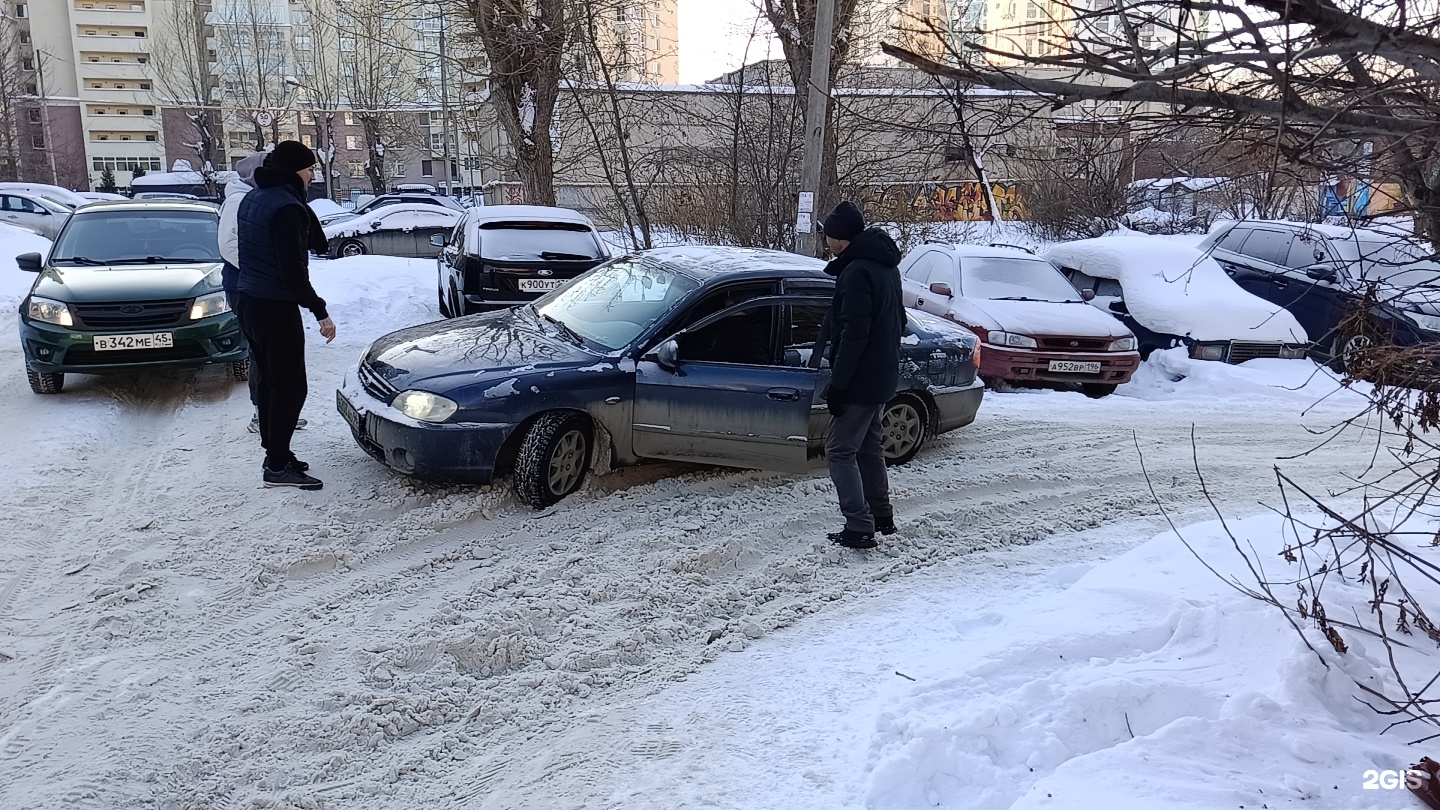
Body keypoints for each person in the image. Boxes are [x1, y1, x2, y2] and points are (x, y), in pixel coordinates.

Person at [234, 141, 336, 490]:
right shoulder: (286, 208)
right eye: (309, 169)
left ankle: (276, 451)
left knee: (270, 384)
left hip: (249, 301)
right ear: (295, 171)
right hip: (275, 307)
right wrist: (320, 310)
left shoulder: (255, 198)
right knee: (291, 388)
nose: (312, 175)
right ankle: (277, 464)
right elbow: (292, 272)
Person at [816, 201, 904, 549]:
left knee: (839, 451)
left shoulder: (855, 273)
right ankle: (881, 516)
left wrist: (839, 384)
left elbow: (854, 334)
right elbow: (898, 319)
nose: (826, 240)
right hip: (882, 373)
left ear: (840, 238)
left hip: (860, 378)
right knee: (868, 447)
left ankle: (859, 525)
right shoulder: (884, 268)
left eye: (829, 235)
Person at [218, 151, 307, 436]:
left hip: (260, 283)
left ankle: (273, 414)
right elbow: (229, 245)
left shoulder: (264, 197)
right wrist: (265, 270)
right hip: (246, 283)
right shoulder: (239, 200)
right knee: (261, 353)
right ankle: (262, 412)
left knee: (273, 355)